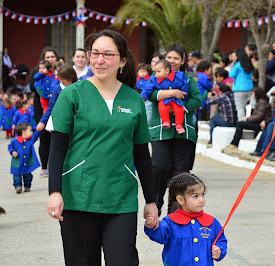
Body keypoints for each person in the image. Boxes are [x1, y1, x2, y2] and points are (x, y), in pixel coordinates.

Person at [46, 29, 158, 265]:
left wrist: (151, 200)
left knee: (124, 260)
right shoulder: (72, 95)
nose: (99, 60)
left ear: (123, 60)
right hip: (78, 195)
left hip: (121, 197)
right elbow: (57, 148)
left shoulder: (134, 99)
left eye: (108, 54)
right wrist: (55, 191)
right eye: (95, 53)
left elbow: (141, 154)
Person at [148, 44, 202, 215]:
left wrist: (182, 107)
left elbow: (196, 99)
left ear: (182, 61)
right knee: (159, 165)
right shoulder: (156, 76)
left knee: (180, 170)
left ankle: (176, 209)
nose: (172, 61)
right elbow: (149, 93)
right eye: (169, 57)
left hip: (182, 130)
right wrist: (169, 94)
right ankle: (156, 201)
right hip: (160, 129)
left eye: (176, 58)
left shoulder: (188, 79)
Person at [144, 172, 227, 265]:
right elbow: (159, 235)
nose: (202, 200)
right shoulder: (170, 222)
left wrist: (219, 250)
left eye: (202, 194)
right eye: (196, 196)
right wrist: (151, 225)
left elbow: (221, 240)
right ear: (181, 200)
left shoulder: (212, 222)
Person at [29, 47, 59, 178]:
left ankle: (56, 166)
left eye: (52, 57)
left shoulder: (59, 71)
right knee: (44, 138)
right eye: (48, 57)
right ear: (43, 58)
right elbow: (31, 86)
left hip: (57, 108)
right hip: (41, 109)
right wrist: (42, 73)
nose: (50, 59)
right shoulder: (38, 71)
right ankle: (44, 167)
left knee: (57, 138)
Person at [142, 59, 188, 134]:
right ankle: (166, 121)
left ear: (167, 71)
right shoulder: (154, 79)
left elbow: (184, 85)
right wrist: (143, 96)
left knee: (179, 109)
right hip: (164, 100)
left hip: (176, 100)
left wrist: (184, 96)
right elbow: (147, 88)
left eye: (158, 72)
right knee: (162, 107)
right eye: (155, 72)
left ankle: (179, 125)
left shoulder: (179, 76)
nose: (156, 74)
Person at [37, 65, 78, 132]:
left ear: (71, 77)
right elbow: (51, 107)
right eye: (60, 79)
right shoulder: (57, 89)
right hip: (61, 123)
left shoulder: (78, 88)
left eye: (63, 79)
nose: (61, 81)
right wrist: (42, 122)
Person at [8, 123, 41, 194]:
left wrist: (39, 129)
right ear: (24, 132)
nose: (32, 132)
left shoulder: (30, 140)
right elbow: (10, 147)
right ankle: (18, 186)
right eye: (30, 130)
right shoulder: (14, 141)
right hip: (18, 161)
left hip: (27, 162)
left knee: (28, 175)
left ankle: (27, 186)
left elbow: (36, 134)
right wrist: (12, 152)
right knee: (16, 175)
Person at [229, 48, 254, 121]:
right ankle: (249, 122)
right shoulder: (249, 64)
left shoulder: (237, 65)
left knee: (240, 108)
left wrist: (232, 65)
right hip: (249, 88)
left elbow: (231, 74)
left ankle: (241, 123)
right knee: (248, 107)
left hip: (239, 89)